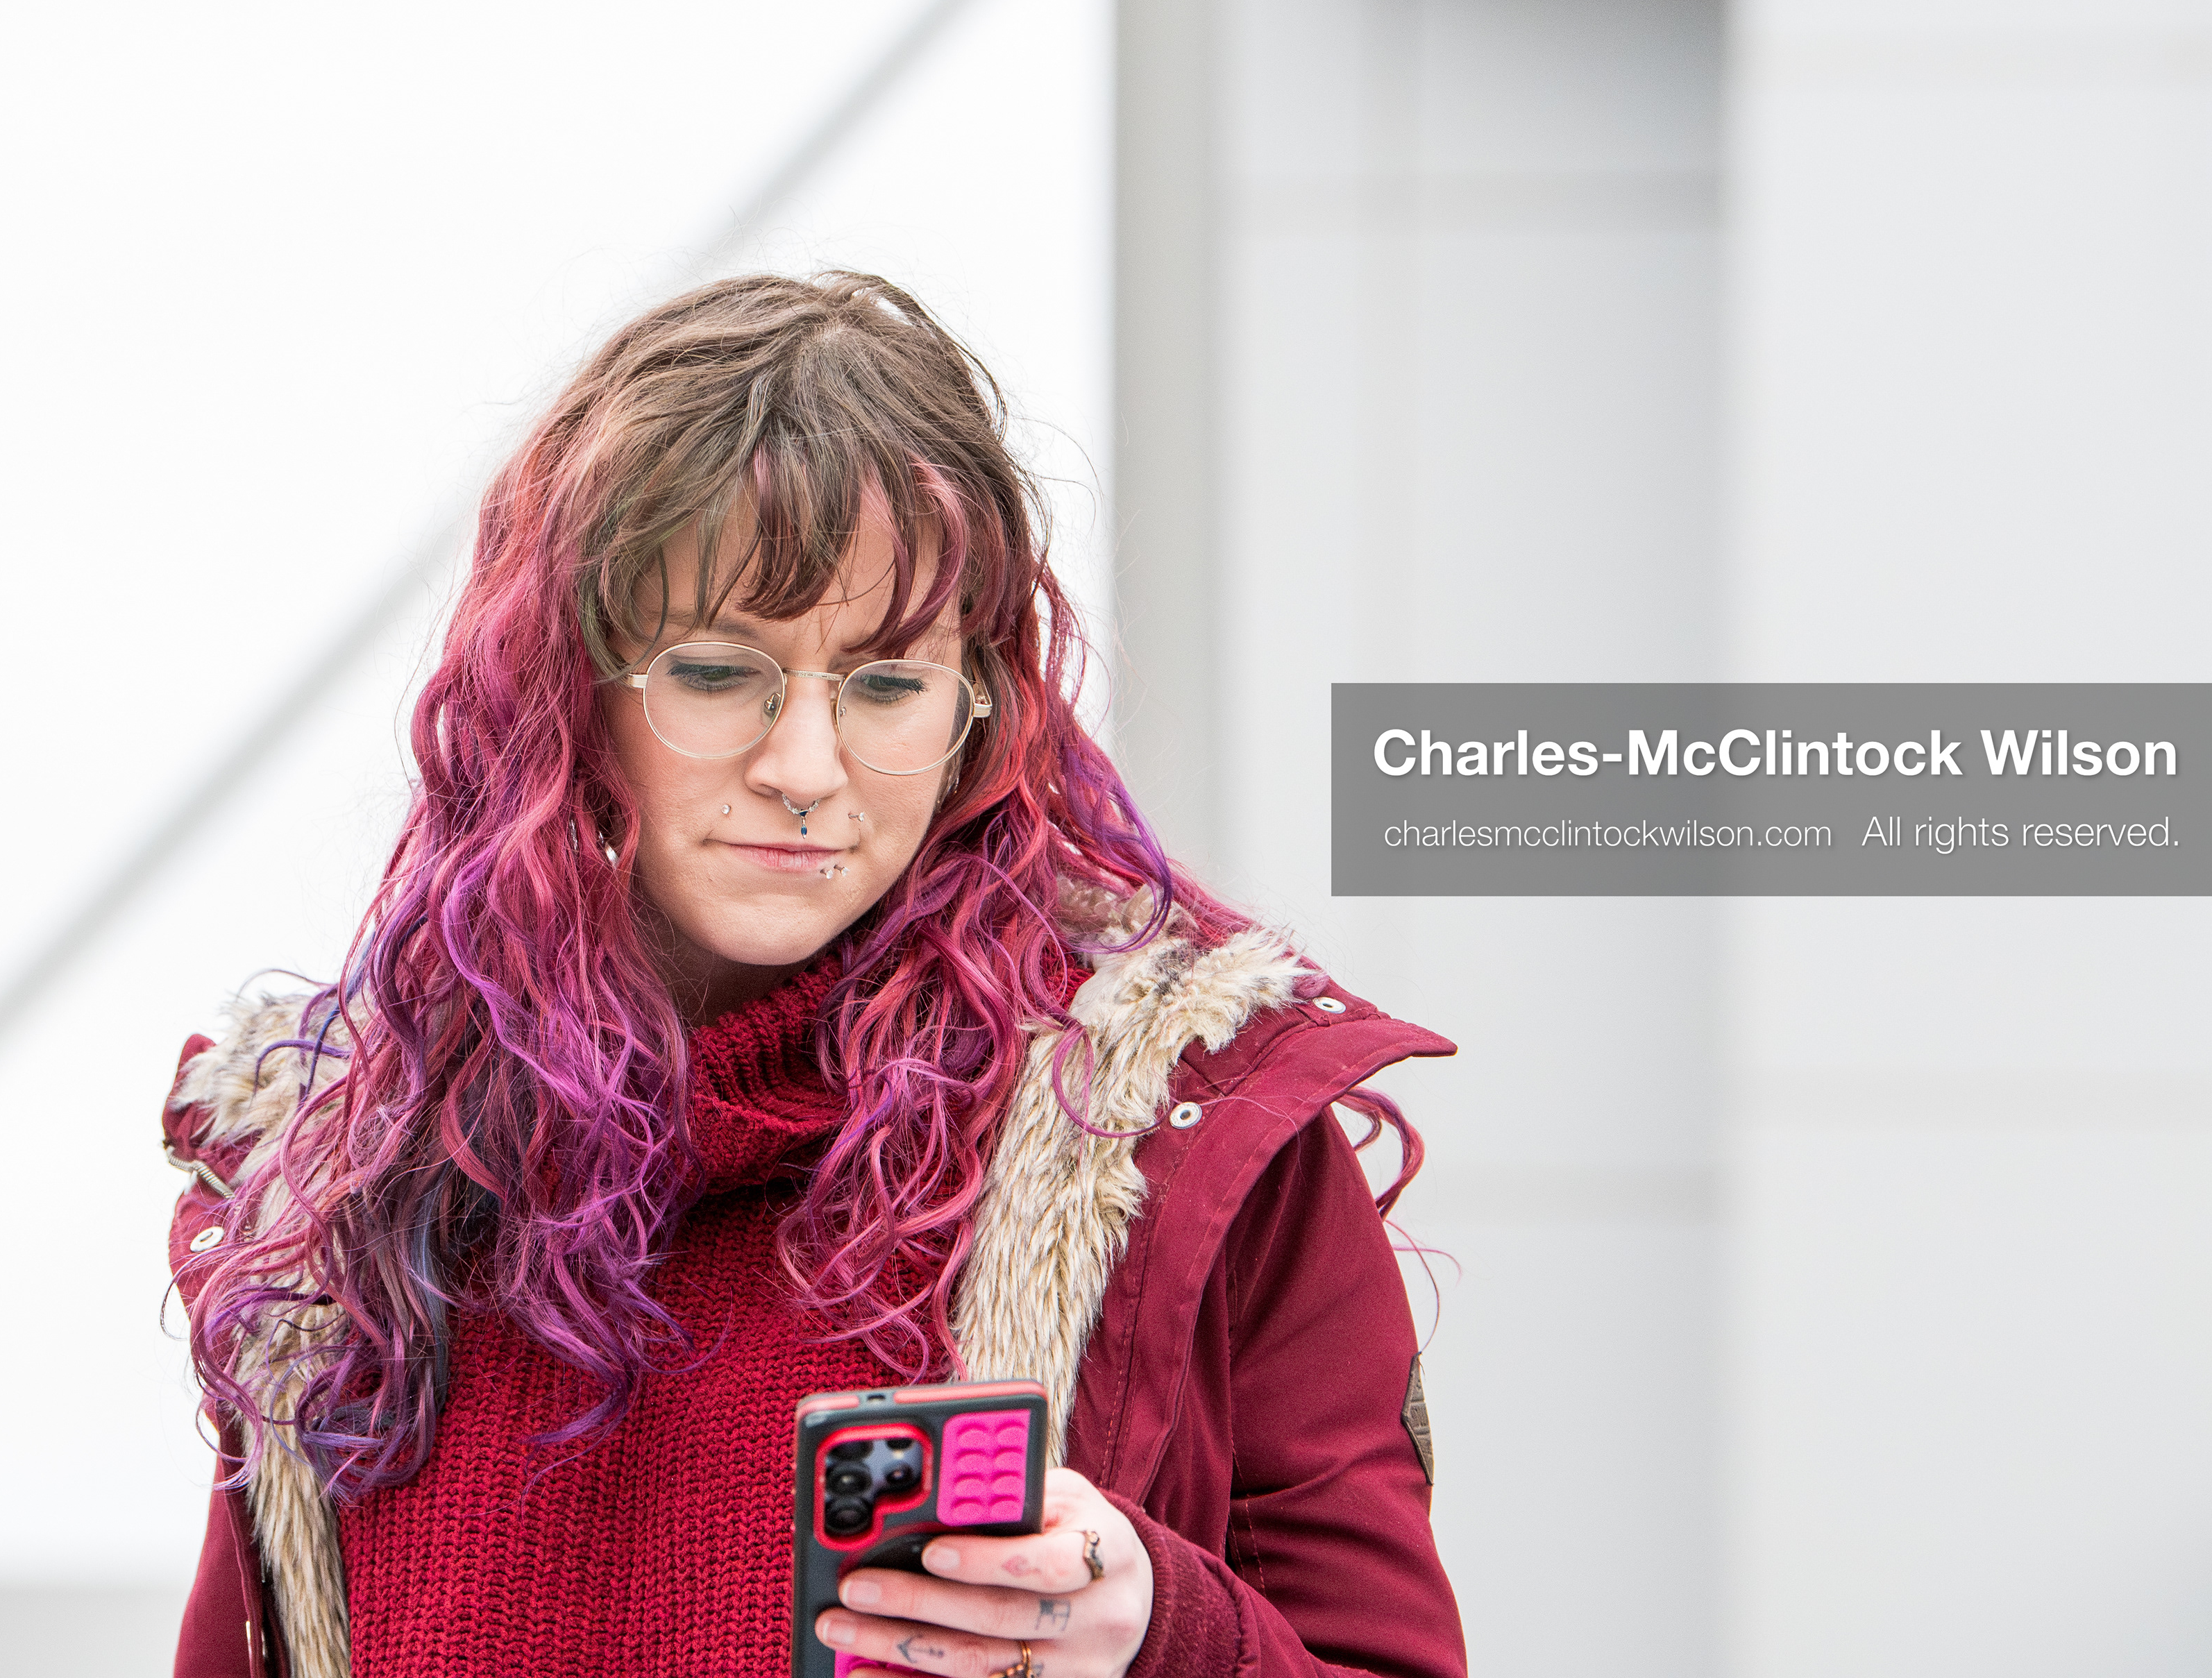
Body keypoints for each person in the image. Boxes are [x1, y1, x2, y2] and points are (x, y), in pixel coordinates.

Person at [159, 271, 1464, 1678]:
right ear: (566, 689)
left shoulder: (1183, 1132)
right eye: (720, 672)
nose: (803, 768)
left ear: (981, 708)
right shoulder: (353, 1181)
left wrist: (1162, 1627)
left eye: (888, 682)